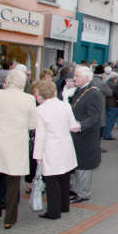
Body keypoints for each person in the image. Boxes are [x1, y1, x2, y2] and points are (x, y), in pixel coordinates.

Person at [0, 69, 36, 229]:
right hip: (16, 143)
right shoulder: (28, 99)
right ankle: (9, 219)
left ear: (8, 80)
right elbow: (33, 124)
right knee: (13, 182)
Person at [32, 81, 80, 220]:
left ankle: (53, 211)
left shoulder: (40, 110)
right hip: (66, 145)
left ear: (40, 95)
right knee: (64, 176)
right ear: (54, 91)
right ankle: (64, 206)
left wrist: (37, 155)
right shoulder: (65, 106)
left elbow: (40, 135)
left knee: (51, 180)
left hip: (50, 147)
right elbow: (73, 126)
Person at [70, 66, 103, 204]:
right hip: (77, 134)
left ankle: (83, 193)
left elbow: (94, 117)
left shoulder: (93, 93)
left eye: (77, 76)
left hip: (86, 135)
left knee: (84, 166)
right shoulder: (79, 90)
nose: (74, 78)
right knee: (77, 164)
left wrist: (81, 125)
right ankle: (77, 190)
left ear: (86, 78)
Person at [103, 71, 118, 140]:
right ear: (115, 78)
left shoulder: (107, 83)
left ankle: (105, 134)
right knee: (110, 120)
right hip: (113, 104)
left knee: (107, 119)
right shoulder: (114, 85)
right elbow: (117, 94)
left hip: (107, 103)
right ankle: (107, 135)